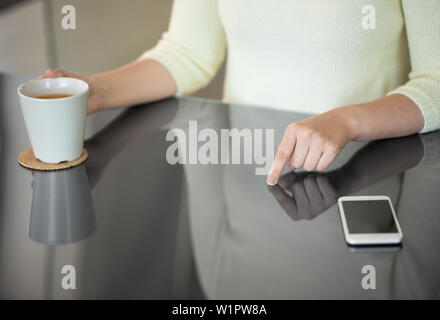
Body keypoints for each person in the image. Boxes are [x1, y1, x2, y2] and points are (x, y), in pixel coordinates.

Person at [39, 0, 440, 186]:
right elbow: (188, 52)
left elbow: (435, 81)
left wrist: (346, 120)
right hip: (245, 175)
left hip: (364, 183)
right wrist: (98, 91)